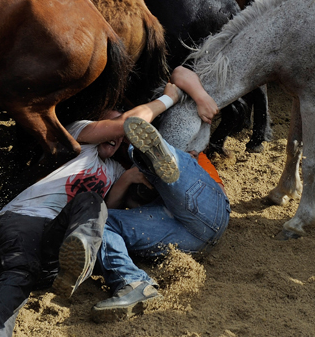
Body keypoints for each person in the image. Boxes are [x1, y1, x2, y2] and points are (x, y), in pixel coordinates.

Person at [0, 66, 213, 337]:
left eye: (121, 138)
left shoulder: (115, 171)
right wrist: (168, 99)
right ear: (97, 120)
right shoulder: (77, 135)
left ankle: (79, 257)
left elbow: (106, 216)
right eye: (114, 120)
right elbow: (129, 124)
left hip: (53, 253)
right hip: (22, 222)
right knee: (20, 268)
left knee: (90, 211)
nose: (119, 135)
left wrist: (128, 179)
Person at [89, 69, 229, 322]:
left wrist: (200, 96)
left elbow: (180, 72)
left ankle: (161, 158)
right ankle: (133, 283)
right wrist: (127, 178)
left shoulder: (194, 154)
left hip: (208, 208)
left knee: (172, 159)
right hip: (180, 237)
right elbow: (110, 208)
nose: (117, 134)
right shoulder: (117, 169)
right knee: (103, 223)